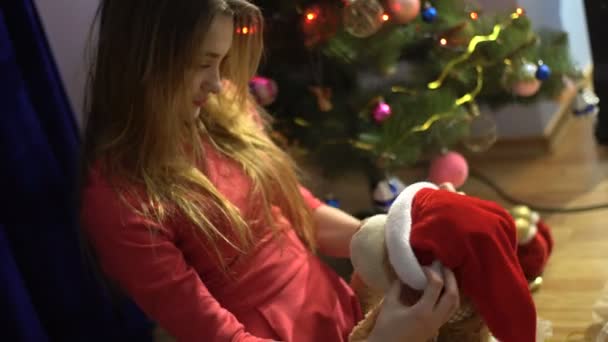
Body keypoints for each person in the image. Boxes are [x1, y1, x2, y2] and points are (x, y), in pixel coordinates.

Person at [79, 1, 460, 341]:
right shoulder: (120, 201)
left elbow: (298, 211)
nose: (216, 83)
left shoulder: (223, 108)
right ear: (144, 61)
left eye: (221, 61)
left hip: (331, 305)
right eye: (202, 63)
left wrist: (395, 235)